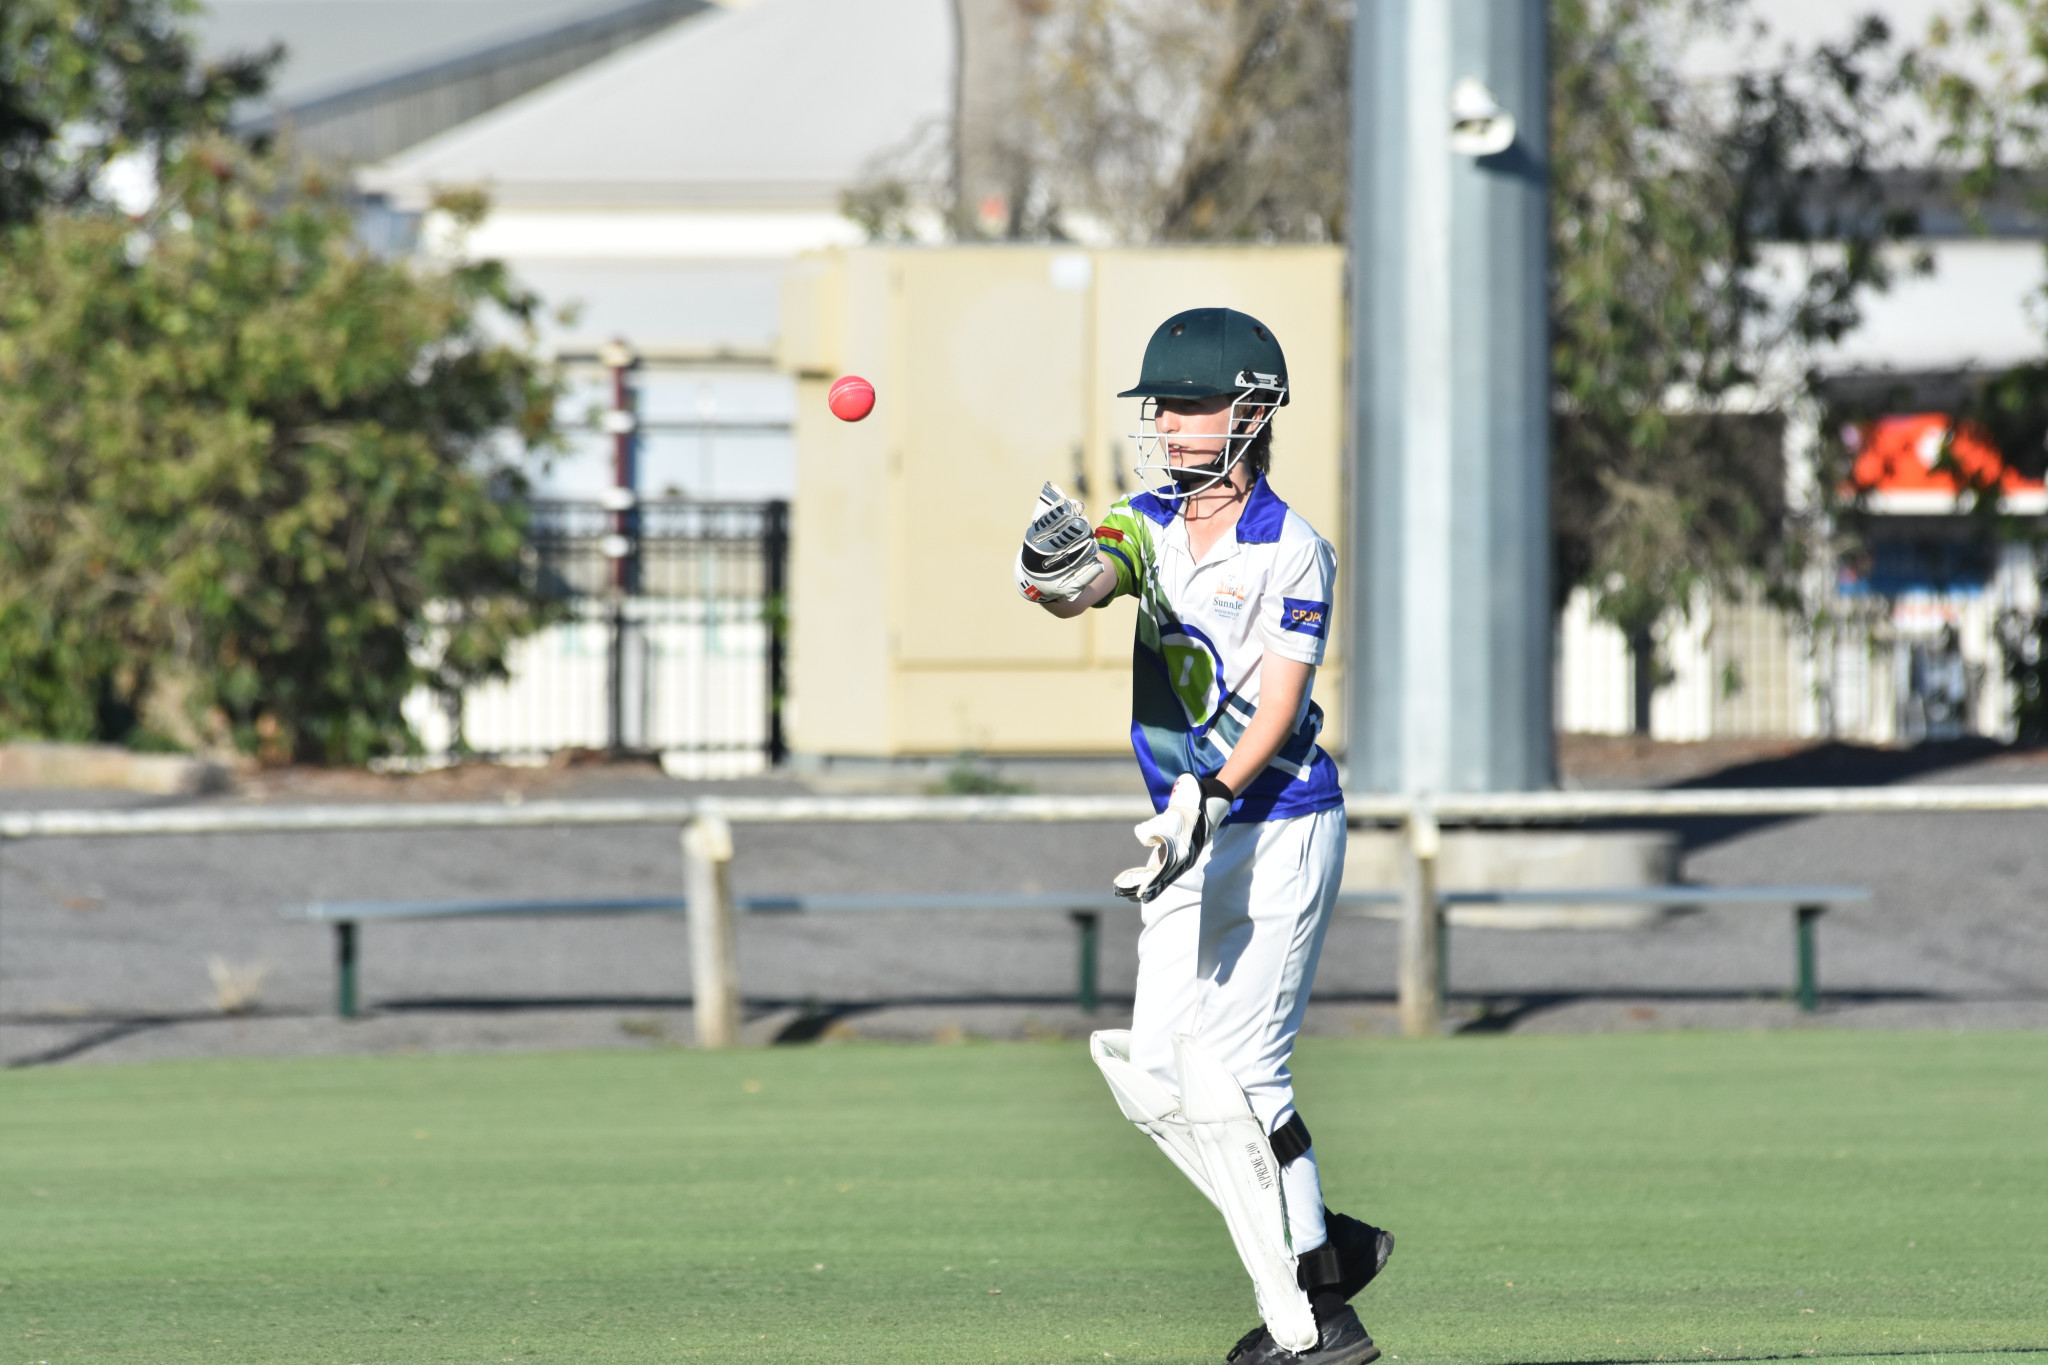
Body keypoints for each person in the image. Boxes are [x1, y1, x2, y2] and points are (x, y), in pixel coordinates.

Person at [1013, 307, 1392, 1365]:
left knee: (1246, 1078)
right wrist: (1048, 567)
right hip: (1181, 837)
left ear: (1252, 410)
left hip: (1275, 824)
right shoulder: (1143, 523)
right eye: (1162, 409)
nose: (1170, 427)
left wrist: (1210, 791)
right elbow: (1082, 582)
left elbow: (1278, 708)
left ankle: (1318, 1323)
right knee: (1156, 1077)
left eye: (1189, 407)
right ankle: (1325, 1248)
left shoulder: (1293, 550)